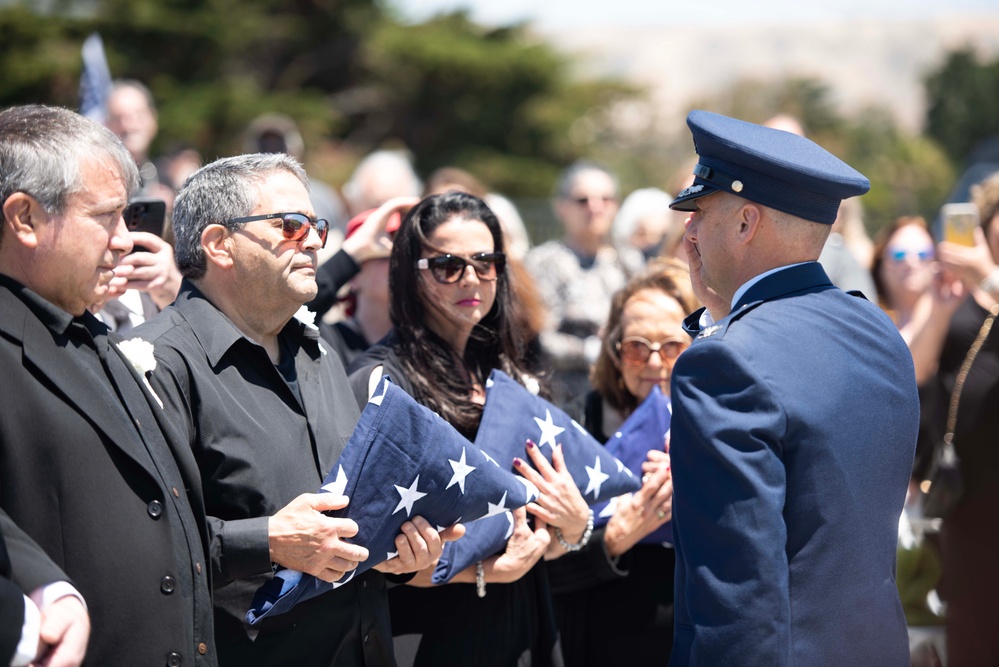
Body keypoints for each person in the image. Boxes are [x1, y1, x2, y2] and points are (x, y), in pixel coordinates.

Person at [131, 153, 453, 666]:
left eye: (316, 226)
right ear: (218, 244)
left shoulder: (316, 351)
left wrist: (398, 549)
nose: (313, 241)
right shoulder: (155, 364)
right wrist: (268, 541)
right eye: (290, 225)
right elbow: (137, 547)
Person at [667, 110, 919, 665]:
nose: (687, 230)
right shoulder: (877, 328)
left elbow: (738, 597)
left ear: (745, 223)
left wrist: (724, 331)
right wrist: (725, 315)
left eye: (699, 211)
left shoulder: (722, 365)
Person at [0, 104, 215, 665]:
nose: (125, 240)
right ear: (24, 218)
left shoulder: (92, 330)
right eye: (106, 217)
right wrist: (43, 589)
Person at [349, 191, 591, 666]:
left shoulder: (510, 373)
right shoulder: (381, 381)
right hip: (432, 634)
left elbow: (537, 532)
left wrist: (574, 526)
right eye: (447, 265)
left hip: (525, 624)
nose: (471, 279)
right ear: (410, 274)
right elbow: (368, 548)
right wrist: (480, 572)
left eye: (485, 262)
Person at [549, 259, 689, 665]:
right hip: (595, 639)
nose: (654, 364)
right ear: (613, 350)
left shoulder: (724, 428)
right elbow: (542, 570)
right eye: (636, 348)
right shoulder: (574, 428)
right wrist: (613, 538)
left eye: (672, 346)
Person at [922, 171, 999, 666]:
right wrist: (939, 307)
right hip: (969, 505)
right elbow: (914, 374)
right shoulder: (964, 299)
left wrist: (987, 278)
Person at [525, 162, 644, 408]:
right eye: (583, 200)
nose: (595, 207)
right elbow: (539, 335)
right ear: (561, 207)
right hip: (564, 401)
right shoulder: (543, 263)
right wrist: (590, 350)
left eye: (606, 199)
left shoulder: (628, 263)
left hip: (621, 400)